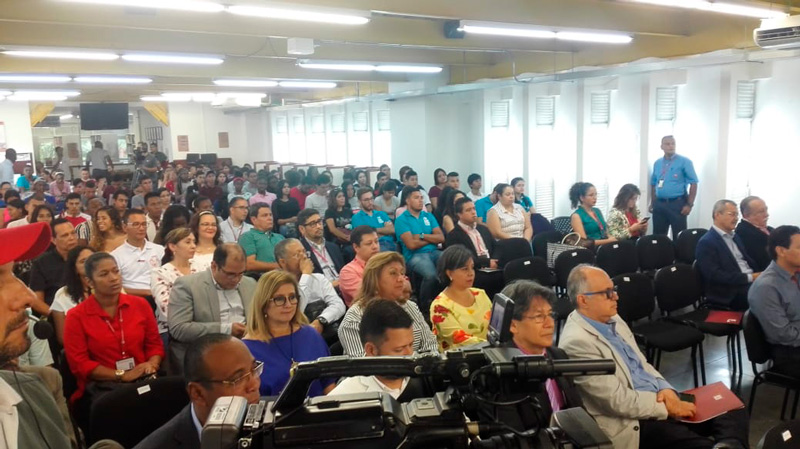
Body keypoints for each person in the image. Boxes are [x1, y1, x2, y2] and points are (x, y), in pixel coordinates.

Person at [559, 265, 749, 449]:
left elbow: (641, 364)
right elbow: (617, 401)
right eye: (607, 293)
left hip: (658, 399)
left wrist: (665, 387)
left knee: (732, 405)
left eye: (614, 289)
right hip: (634, 421)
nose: (616, 296)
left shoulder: (612, 318)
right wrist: (668, 407)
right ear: (583, 300)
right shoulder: (577, 342)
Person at [64, 252, 164, 414]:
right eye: (104, 274)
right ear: (89, 282)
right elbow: (80, 363)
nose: (113, 278)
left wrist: (151, 364)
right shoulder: (76, 316)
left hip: (142, 377)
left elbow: (154, 345)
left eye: (116, 271)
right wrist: (121, 375)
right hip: (103, 386)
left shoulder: (140, 305)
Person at [132, 334, 261, 449]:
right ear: (198, 394)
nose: (254, 385)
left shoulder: (264, 421)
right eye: (238, 379)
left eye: (254, 369)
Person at [242, 270, 335, 396]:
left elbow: (328, 383)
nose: (288, 304)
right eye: (279, 299)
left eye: (292, 297)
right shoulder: (247, 349)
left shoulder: (311, 335)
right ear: (263, 303)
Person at [168, 244, 256, 374]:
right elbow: (179, 329)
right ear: (214, 266)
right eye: (230, 274)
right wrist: (227, 329)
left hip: (246, 349)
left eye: (241, 273)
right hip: (206, 356)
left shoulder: (249, 283)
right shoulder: (188, 286)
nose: (236, 279)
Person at [338, 252, 436, 357]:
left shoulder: (410, 306)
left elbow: (431, 347)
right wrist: (413, 359)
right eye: (393, 273)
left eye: (402, 273)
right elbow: (362, 363)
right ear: (374, 279)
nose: (401, 279)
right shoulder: (354, 319)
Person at [329, 299, 428, 400]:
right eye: (399, 349)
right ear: (371, 350)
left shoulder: (428, 381)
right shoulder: (344, 398)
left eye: (411, 345)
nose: (409, 353)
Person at [748, 225, 800, 377]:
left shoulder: (795, 273)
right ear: (781, 251)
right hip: (788, 353)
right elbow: (784, 335)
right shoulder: (766, 287)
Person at [695, 199, 760, 311]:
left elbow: (746, 261)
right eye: (732, 214)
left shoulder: (735, 237)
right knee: (767, 295)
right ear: (717, 215)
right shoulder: (706, 242)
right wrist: (749, 277)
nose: (736, 218)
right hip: (729, 291)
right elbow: (715, 275)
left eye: (737, 215)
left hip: (747, 281)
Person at [274, 238, 345, 340]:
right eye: (297, 255)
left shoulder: (319, 278)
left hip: (328, 330)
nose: (304, 257)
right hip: (296, 337)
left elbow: (338, 304)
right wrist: (306, 275)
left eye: (304, 252)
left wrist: (321, 320)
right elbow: (295, 310)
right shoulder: (278, 286)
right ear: (282, 262)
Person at [430, 245, 492, 351]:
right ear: (449, 273)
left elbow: (496, 328)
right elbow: (459, 340)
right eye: (465, 269)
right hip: (461, 358)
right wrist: (494, 346)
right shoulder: (439, 307)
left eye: (472, 267)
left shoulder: (480, 294)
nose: (471, 273)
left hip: (491, 352)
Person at [395, 186, 445, 312]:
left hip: (434, 252)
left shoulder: (428, 216)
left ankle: (445, 301)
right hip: (415, 255)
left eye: (421, 197)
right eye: (416, 198)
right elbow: (411, 245)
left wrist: (422, 236)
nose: (421, 200)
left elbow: (441, 238)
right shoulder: (401, 220)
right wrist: (431, 239)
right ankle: (424, 307)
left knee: (452, 264)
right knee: (431, 275)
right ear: (408, 201)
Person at [151, 228, 198, 349]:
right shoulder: (160, 273)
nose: (193, 246)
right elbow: (166, 308)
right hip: (171, 330)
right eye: (188, 242)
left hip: (201, 326)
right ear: (172, 246)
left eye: (194, 242)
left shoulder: (201, 268)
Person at [649, 135, 699, 239]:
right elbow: (653, 183)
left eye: (673, 144)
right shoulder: (657, 163)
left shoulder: (685, 162)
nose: (671, 146)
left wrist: (689, 205)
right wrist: (653, 202)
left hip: (677, 204)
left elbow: (693, 183)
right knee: (658, 237)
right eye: (667, 144)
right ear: (661, 147)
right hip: (660, 204)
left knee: (679, 236)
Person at [110, 209, 165, 299]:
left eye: (144, 224)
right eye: (136, 224)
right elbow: (116, 286)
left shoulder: (159, 250)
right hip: (131, 298)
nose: (141, 228)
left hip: (159, 296)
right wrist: (147, 292)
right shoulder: (116, 256)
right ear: (125, 227)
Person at [29, 218, 78, 316]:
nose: (71, 238)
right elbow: (37, 301)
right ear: (53, 240)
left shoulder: (86, 257)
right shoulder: (42, 263)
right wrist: (56, 317)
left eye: (73, 233)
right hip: (55, 314)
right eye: (65, 235)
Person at [51, 246, 94, 345]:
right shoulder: (63, 294)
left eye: (92, 259)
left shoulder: (110, 289)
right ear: (74, 268)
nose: (90, 264)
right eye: (83, 261)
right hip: (79, 346)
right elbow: (62, 338)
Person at [297, 208, 344, 287]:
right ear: (302, 229)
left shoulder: (333, 247)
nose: (318, 226)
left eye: (319, 221)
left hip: (343, 286)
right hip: (322, 291)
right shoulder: (301, 252)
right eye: (312, 224)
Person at [339, 225, 381, 307]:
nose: (375, 247)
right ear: (356, 247)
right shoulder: (348, 272)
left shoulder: (386, 263)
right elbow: (369, 297)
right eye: (369, 243)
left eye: (376, 242)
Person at [239, 203, 284, 273]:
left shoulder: (280, 237)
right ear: (254, 219)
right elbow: (249, 264)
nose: (270, 218)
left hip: (285, 276)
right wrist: (279, 266)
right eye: (265, 215)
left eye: (270, 215)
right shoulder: (247, 237)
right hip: (260, 277)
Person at [351, 187, 396, 252]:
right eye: (366, 200)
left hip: (391, 244)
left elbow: (392, 230)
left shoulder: (381, 214)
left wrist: (373, 230)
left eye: (371, 198)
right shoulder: (356, 218)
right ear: (359, 201)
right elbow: (365, 237)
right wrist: (384, 230)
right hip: (373, 246)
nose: (370, 202)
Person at [736, 196, 773, 271]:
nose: (767, 214)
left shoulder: (770, 230)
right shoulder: (744, 234)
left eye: (766, 209)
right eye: (761, 211)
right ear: (746, 215)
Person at [324, 187, 354, 255]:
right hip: (337, 240)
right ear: (333, 199)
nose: (342, 198)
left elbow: (354, 225)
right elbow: (332, 229)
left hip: (350, 237)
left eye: (343, 196)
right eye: (339, 197)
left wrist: (352, 236)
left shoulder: (348, 211)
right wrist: (346, 237)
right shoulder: (329, 212)